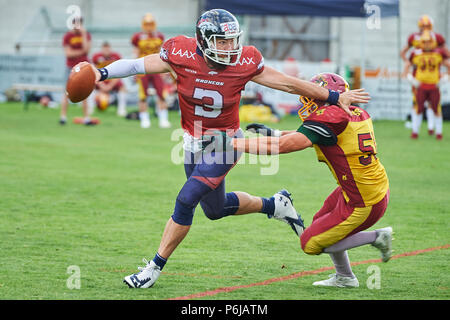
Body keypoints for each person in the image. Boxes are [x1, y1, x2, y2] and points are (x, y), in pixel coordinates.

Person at [74, 9, 370, 289]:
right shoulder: (180, 52)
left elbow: (289, 85)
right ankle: (275, 204)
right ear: (203, 40)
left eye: (233, 39)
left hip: (227, 143)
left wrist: (333, 96)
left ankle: (152, 268)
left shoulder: (245, 61)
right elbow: (137, 65)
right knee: (214, 210)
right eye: (222, 40)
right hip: (192, 142)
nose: (230, 47)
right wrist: (100, 74)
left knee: (186, 198)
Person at [209, 72, 391, 288]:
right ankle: (345, 277)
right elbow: (312, 134)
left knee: (311, 243)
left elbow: (286, 146)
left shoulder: (332, 116)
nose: (307, 100)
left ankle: (377, 237)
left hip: (363, 199)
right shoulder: (353, 112)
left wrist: (233, 144)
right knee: (320, 223)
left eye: (312, 96)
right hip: (361, 187)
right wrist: (274, 132)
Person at [400, 15, 449, 135]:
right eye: (423, 26)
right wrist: (409, 76)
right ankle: (416, 130)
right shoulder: (415, 51)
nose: (427, 44)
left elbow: (447, 59)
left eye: (427, 26)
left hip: (433, 80)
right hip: (419, 77)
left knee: (435, 106)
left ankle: (432, 128)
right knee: (418, 105)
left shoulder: (438, 51)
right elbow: (405, 57)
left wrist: (445, 77)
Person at [131, 13, 171, 128]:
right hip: (142, 67)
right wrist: (134, 69)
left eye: (150, 23)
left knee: (161, 93)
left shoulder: (159, 36)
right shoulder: (137, 37)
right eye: (147, 24)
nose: (149, 26)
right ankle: (144, 119)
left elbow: (162, 53)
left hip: (157, 67)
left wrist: (165, 69)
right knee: (143, 95)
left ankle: (163, 118)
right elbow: (135, 52)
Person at [60, 16, 95, 125]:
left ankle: (86, 117)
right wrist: (81, 52)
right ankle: (63, 116)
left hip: (83, 67)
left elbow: (87, 50)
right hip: (70, 67)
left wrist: (83, 34)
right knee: (66, 92)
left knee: (85, 92)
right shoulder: (68, 36)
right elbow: (68, 54)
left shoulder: (86, 35)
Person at [92, 41, 128, 116]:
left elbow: (120, 72)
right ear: (101, 49)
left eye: (107, 49)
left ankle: (121, 109)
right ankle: (90, 107)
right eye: (104, 49)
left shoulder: (116, 56)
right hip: (101, 80)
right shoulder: (96, 57)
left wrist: (110, 86)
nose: (106, 51)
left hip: (112, 79)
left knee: (122, 87)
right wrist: (102, 85)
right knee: (90, 85)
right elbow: (94, 72)